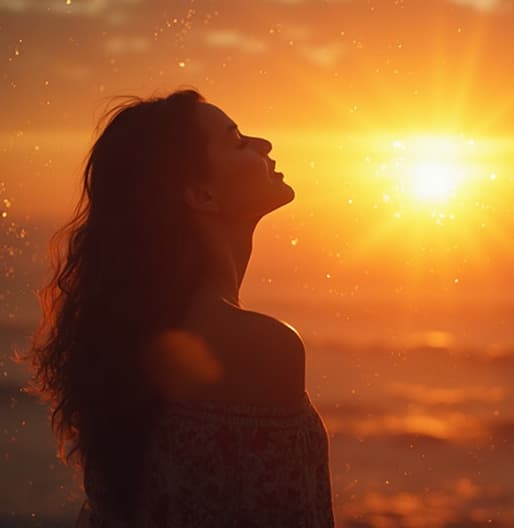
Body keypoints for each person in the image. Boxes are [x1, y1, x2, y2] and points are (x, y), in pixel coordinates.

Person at [23, 88, 335, 526]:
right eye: (238, 141)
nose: (263, 145)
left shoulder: (134, 341)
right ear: (202, 196)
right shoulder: (261, 348)